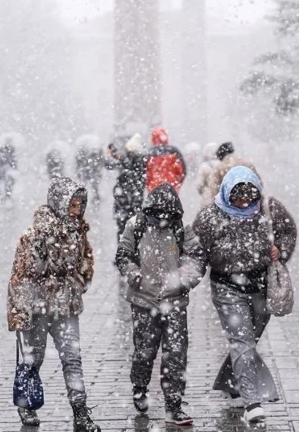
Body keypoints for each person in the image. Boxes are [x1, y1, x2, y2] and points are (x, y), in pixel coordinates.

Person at [192, 166, 297, 428]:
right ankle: (252, 404)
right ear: (228, 192)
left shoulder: (268, 208)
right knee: (242, 342)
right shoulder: (209, 216)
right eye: (238, 196)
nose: (244, 201)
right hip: (227, 288)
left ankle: (231, 381)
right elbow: (195, 251)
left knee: (249, 342)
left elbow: (287, 231)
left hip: (260, 286)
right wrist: (187, 278)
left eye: (249, 195)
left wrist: (280, 250)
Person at [6, 177, 100, 432]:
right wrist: (20, 313)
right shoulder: (34, 235)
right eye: (72, 204)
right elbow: (21, 275)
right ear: (59, 203)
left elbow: (86, 262)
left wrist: (79, 281)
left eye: (80, 205)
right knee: (33, 359)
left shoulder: (78, 232)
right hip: (37, 308)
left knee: (73, 358)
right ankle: (26, 405)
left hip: (66, 306)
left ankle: (80, 412)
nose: (76, 210)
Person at [115, 183, 206, 426]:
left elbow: (196, 257)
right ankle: (140, 386)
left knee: (176, 354)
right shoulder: (136, 225)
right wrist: (133, 274)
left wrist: (184, 281)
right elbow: (123, 254)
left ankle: (174, 406)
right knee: (144, 351)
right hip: (143, 301)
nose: (160, 221)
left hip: (174, 302)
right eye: (156, 216)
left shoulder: (182, 229)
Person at [109, 134, 147, 241]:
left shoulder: (127, 162)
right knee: (135, 229)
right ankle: (133, 252)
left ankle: (124, 252)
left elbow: (110, 163)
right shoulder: (142, 163)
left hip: (123, 204)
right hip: (134, 204)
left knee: (123, 229)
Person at [145, 127, 187, 194]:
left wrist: (149, 186)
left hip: (153, 189)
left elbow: (145, 173)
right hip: (172, 189)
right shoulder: (174, 151)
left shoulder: (149, 154)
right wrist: (177, 184)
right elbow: (183, 171)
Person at [75, 137, 104, 203]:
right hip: (87, 170)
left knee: (92, 184)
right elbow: (78, 162)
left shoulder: (97, 151)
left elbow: (101, 162)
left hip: (90, 171)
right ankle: (87, 197)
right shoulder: (83, 151)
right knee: (88, 184)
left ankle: (94, 196)